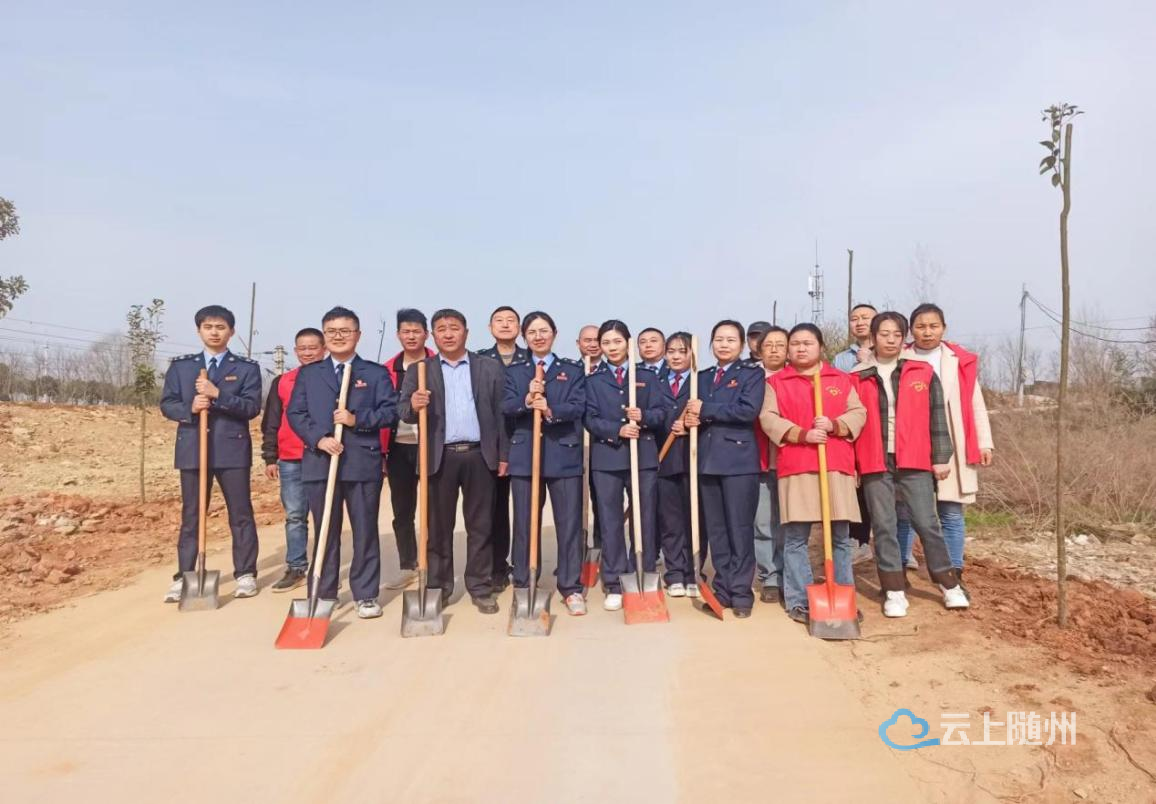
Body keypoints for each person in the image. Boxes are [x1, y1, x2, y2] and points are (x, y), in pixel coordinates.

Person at [850, 312, 969, 616]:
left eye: (897, 334)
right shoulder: (858, 376)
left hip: (915, 458)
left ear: (904, 338)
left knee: (926, 522)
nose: (891, 340)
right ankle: (893, 589)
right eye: (884, 334)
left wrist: (941, 457)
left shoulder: (922, 372)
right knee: (884, 525)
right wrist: (852, 464)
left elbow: (937, 416)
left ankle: (948, 583)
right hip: (875, 459)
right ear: (873, 338)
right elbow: (851, 423)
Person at [287, 307, 398, 619]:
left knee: (364, 530)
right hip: (321, 463)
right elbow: (296, 413)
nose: (338, 336)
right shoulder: (309, 374)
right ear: (325, 336)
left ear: (357, 335)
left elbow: (390, 413)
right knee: (326, 530)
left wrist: (355, 419)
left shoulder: (374, 373)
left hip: (361, 463)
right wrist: (319, 439)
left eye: (345, 331)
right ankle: (324, 593)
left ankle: (366, 594)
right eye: (332, 331)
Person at [397, 309, 509, 614]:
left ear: (466, 333)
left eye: (454, 328)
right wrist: (413, 405)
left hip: (479, 455)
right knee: (438, 527)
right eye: (441, 329)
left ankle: (480, 586)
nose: (448, 334)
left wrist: (503, 455)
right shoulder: (420, 370)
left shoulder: (488, 368)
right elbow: (403, 411)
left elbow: (501, 415)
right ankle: (439, 586)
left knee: (481, 526)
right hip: (439, 458)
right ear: (433, 335)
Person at [759, 323, 866, 624]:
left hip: (835, 465)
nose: (801, 348)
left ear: (821, 346)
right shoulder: (777, 383)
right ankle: (799, 600)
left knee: (840, 537)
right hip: (797, 465)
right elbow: (768, 418)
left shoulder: (840, 379)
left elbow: (859, 413)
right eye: (795, 343)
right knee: (795, 538)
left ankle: (843, 598)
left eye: (807, 343)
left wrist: (834, 425)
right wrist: (802, 434)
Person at [160, 305, 263, 603]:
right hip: (193, 449)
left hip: (232, 450)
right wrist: (190, 408)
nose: (214, 332)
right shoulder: (182, 367)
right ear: (199, 331)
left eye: (220, 327)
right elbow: (167, 404)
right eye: (208, 327)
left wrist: (218, 395)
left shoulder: (246, 368)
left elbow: (251, 407)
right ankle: (184, 575)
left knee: (240, 514)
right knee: (192, 515)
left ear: (231, 332)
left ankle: (245, 573)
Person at [896, 303, 994, 584]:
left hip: (952, 438)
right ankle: (900, 566)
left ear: (943, 328)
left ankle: (954, 571)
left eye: (933, 326)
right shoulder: (900, 358)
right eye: (921, 327)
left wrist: (984, 442)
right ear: (911, 330)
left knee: (951, 510)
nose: (927, 332)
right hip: (911, 442)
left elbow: (975, 403)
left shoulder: (958, 359)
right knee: (905, 510)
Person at [502, 311, 588, 615]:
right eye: (532, 332)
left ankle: (571, 587)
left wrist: (550, 409)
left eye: (544, 331)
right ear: (524, 337)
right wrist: (527, 401)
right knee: (525, 523)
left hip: (563, 455)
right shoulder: (515, 372)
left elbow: (579, 406)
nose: (538, 337)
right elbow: (505, 405)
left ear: (554, 333)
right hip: (526, 457)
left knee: (568, 524)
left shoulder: (571, 370)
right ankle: (524, 582)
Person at [684, 320, 766, 617]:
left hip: (738, 462)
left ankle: (741, 593)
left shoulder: (751, 374)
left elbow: (747, 411)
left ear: (742, 345)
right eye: (719, 339)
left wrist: (706, 410)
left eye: (731, 340)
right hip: (707, 462)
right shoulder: (701, 377)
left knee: (739, 528)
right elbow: (691, 410)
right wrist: (690, 419)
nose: (724, 344)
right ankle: (723, 589)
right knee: (717, 529)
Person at [584, 320, 665, 611]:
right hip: (607, 458)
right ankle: (615, 581)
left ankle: (642, 572)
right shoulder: (593, 380)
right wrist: (616, 430)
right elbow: (589, 418)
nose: (612, 348)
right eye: (606, 343)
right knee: (610, 520)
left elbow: (662, 413)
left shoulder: (646, 376)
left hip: (642, 457)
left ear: (628, 343)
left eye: (617, 342)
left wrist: (643, 417)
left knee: (645, 518)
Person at [259, 327, 327, 592]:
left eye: (313, 347)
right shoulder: (283, 381)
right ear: (296, 351)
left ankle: (325, 566)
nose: (308, 353)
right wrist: (270, 456)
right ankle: (296, 566)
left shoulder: (334, 378)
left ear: (324, 349)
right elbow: (271, 421)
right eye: (302, 348)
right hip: (290, 459)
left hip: (322, 456)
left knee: (325, 515)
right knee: (295, 515)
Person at [380, 308, 435, 590]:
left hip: (432, 447)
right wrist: (382, 453)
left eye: (416, 331)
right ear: (398, 335)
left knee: (434, 509)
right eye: (406, 331)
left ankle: (432, 564)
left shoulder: (438, 365)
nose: (411, 336)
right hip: (399, 448)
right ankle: (408, 565)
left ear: (426, 334)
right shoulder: (387, 370)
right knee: (403, 511)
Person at [477, 305, 528, 591]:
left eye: (511, 320)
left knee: (525, 509)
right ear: (490, 327)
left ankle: (525, 566)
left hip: (525, 442)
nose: (505, 325)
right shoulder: (480, 360)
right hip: (491, 446)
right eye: (499, 320)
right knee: (494, 510)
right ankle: (497, 567)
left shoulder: (531, 359)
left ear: (519, 328)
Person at [655, 332, 694, 597]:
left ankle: (693, 572)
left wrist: (691, 426)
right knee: (670, 521)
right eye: (671, 351)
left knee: (694, 519)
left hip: (693, 459)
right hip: (664, 457)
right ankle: (675, 573)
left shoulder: (700, 381)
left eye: (682, 351)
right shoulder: (656, 381)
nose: (676, 356)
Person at [752, 325, 789, 604]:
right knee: (763, 522)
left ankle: (791, 574)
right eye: (769, 345)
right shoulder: (750, 378)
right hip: (759, 459)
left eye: (781, 345)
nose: (775, 350)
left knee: (790, 522)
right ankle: (770, 577)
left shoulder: (798, 377)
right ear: (759, 349)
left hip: (791, 460)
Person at [832, 303, 877, 371]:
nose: (859, 323)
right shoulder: (840, 359)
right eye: (854, 319)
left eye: (865, 318)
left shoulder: (889, 353)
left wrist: (871, 362)